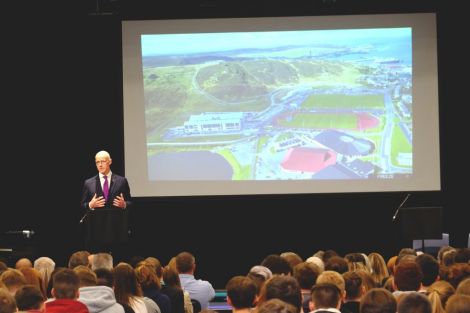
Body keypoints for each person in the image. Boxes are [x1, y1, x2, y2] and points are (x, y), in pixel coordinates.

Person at [81, 150, 132, 253]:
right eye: (97, 162)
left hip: (116, 230)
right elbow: (83, 204)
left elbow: (130, 202)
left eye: (103, 161)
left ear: (110, 161)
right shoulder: (89, 183)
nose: (100, 165)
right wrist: (90, 204)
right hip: (96, 231)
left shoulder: (121, 181)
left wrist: (124, 204)